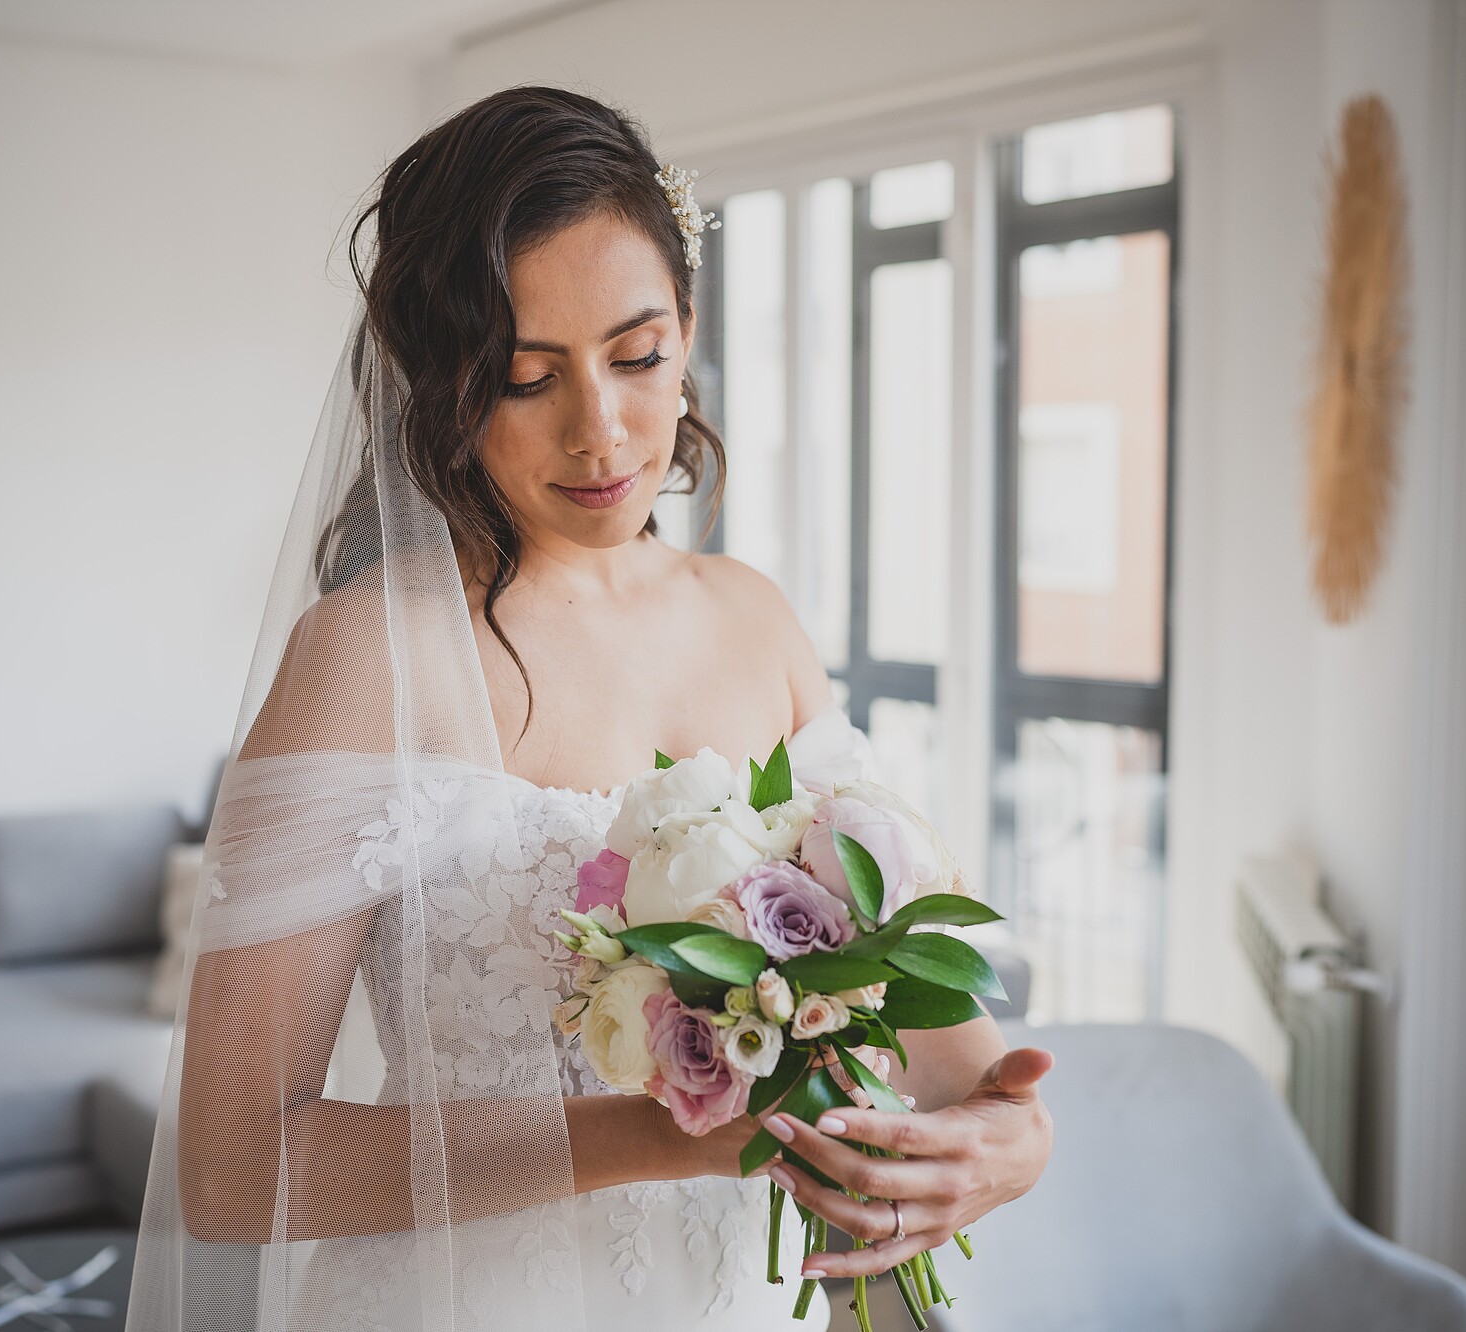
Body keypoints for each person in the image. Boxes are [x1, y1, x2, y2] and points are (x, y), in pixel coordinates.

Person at [124, 86, 1052, 1332]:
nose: (599, 431)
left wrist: (1004, 1136)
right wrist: (667, 1136)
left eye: (636, 355)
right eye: (524, 377)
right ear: (443, 387)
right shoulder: (368, 659)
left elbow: (930, 1029)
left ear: (687, 328)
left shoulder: (754, 622)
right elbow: (234, 1167)